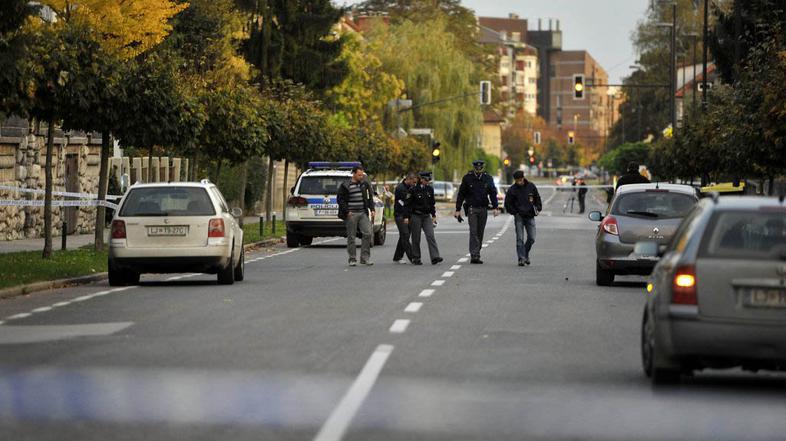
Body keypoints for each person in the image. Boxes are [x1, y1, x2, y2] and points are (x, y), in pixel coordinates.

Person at [454, 160, 498, 264]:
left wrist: (495, 207)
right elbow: (461, 194)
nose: (478, 170)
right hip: (472, 209)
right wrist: (457, 209)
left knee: (480, 233)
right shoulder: (467, 178)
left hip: (483, 208)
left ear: (483, 168)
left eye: (480, 168)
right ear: (474, 168)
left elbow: (492, 193)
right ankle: (474, 255)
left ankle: (477, 251)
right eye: (477, 168)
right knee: (473, 232)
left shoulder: (488, 178)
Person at [337, 165, 375, 266]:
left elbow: (369, 197)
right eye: (359, 175)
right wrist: (347, 211)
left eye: (362, 175)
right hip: (351, 214)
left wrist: (372, 209)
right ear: (353, 174)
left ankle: (365, 258)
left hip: (363, 213)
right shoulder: (345, 185)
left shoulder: (364, 184)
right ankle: (352, 259)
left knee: (367, 233)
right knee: (351, 237)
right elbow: (340, 200)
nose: (361, 177)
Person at [504, 170, 542, 266]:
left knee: (532, 238)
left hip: (530, 216)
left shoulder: (531, 186)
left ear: (523, 178)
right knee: (519, 239)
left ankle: (525, 253)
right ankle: (521, 258)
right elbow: (508, 204)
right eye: (517, 181)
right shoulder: (512, 190)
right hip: (519, 216)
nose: (519, 182)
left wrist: (538, 208)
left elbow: (537, 198)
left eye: (520, 180)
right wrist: (515, 213)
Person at [409, 171, 443, 265]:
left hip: (426, 216)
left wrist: (434, 216)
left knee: (430, 235)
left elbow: (432, 204)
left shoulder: (429, 189)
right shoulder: (413, 190)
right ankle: (416, 258)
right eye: (426, 180)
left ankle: (435, 257)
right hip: (416, 215)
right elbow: (408, 205)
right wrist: (406, 217)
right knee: (416, 237)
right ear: (421, 179)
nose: (427, 182)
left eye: (428, 180)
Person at [392, 173, 417, 263]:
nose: (414, 184)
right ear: (409, 179)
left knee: (403, 236)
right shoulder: (400, 188)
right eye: (413, 182)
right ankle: (413, 257)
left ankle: (397, 257)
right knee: (405, 235)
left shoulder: (410, 188)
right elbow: (406, 202)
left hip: (408, 215)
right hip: (400, 215)